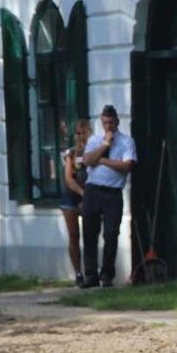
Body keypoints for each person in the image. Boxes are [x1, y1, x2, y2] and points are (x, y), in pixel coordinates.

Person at [80, 105, 136, 288]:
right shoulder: (95, 140)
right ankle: (90, 275)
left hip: (113, 192)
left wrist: (102, 160)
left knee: (111, 234)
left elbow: (126, 166)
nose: (108, 125)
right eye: (105, 122)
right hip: (92, 190)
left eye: (111, 122)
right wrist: (104, 145)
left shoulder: (126, 142)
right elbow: (87, 160)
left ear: (117, 121)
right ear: (101, 122)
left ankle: (107, 275)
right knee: (89, 233)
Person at [61, 118, 92, 286]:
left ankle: (90, 271)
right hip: (72, 194)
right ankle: (78, 272)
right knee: (74, 235)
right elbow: (68, 178)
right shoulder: (71, 153)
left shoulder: (94, 151)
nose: (81, 137)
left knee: (90, 234)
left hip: (88, 194)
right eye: (78, 133)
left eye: (84, 133)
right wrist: (82, 193)